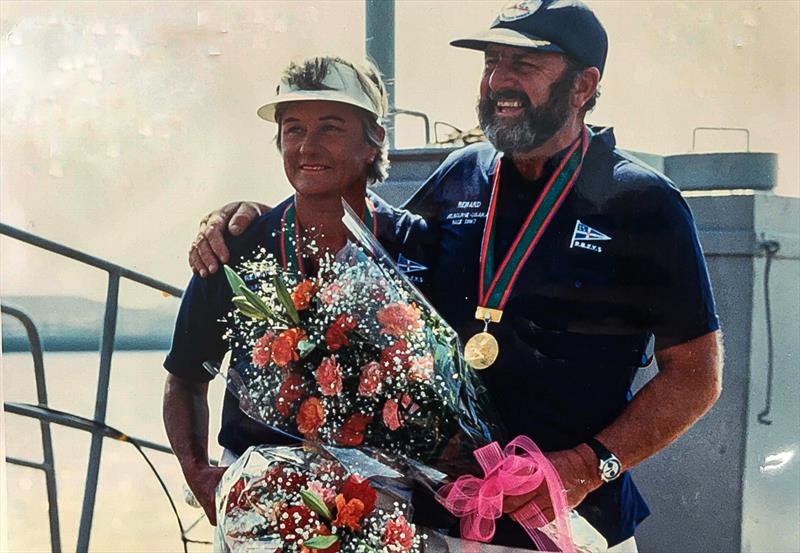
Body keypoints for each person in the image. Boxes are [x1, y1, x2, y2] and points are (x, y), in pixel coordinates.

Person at [186, 1, 723, 551]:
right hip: (445, 516)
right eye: (492, 62)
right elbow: (366, 255)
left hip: (569, 520)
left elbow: (696, 376)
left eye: (525, 65)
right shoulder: (461, 175)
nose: (499, 81)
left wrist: (587, 467)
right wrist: (245, 216)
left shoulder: (643, 202)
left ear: (583, 86)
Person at [162, 55, 434, 533]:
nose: (308, 146)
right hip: (258, 494)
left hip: (381, 503)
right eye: (293, 129)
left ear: (374, 143)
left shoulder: (416, 245)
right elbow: (186, 378)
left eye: (330, 128)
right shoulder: (236, 248)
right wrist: (200, 476)